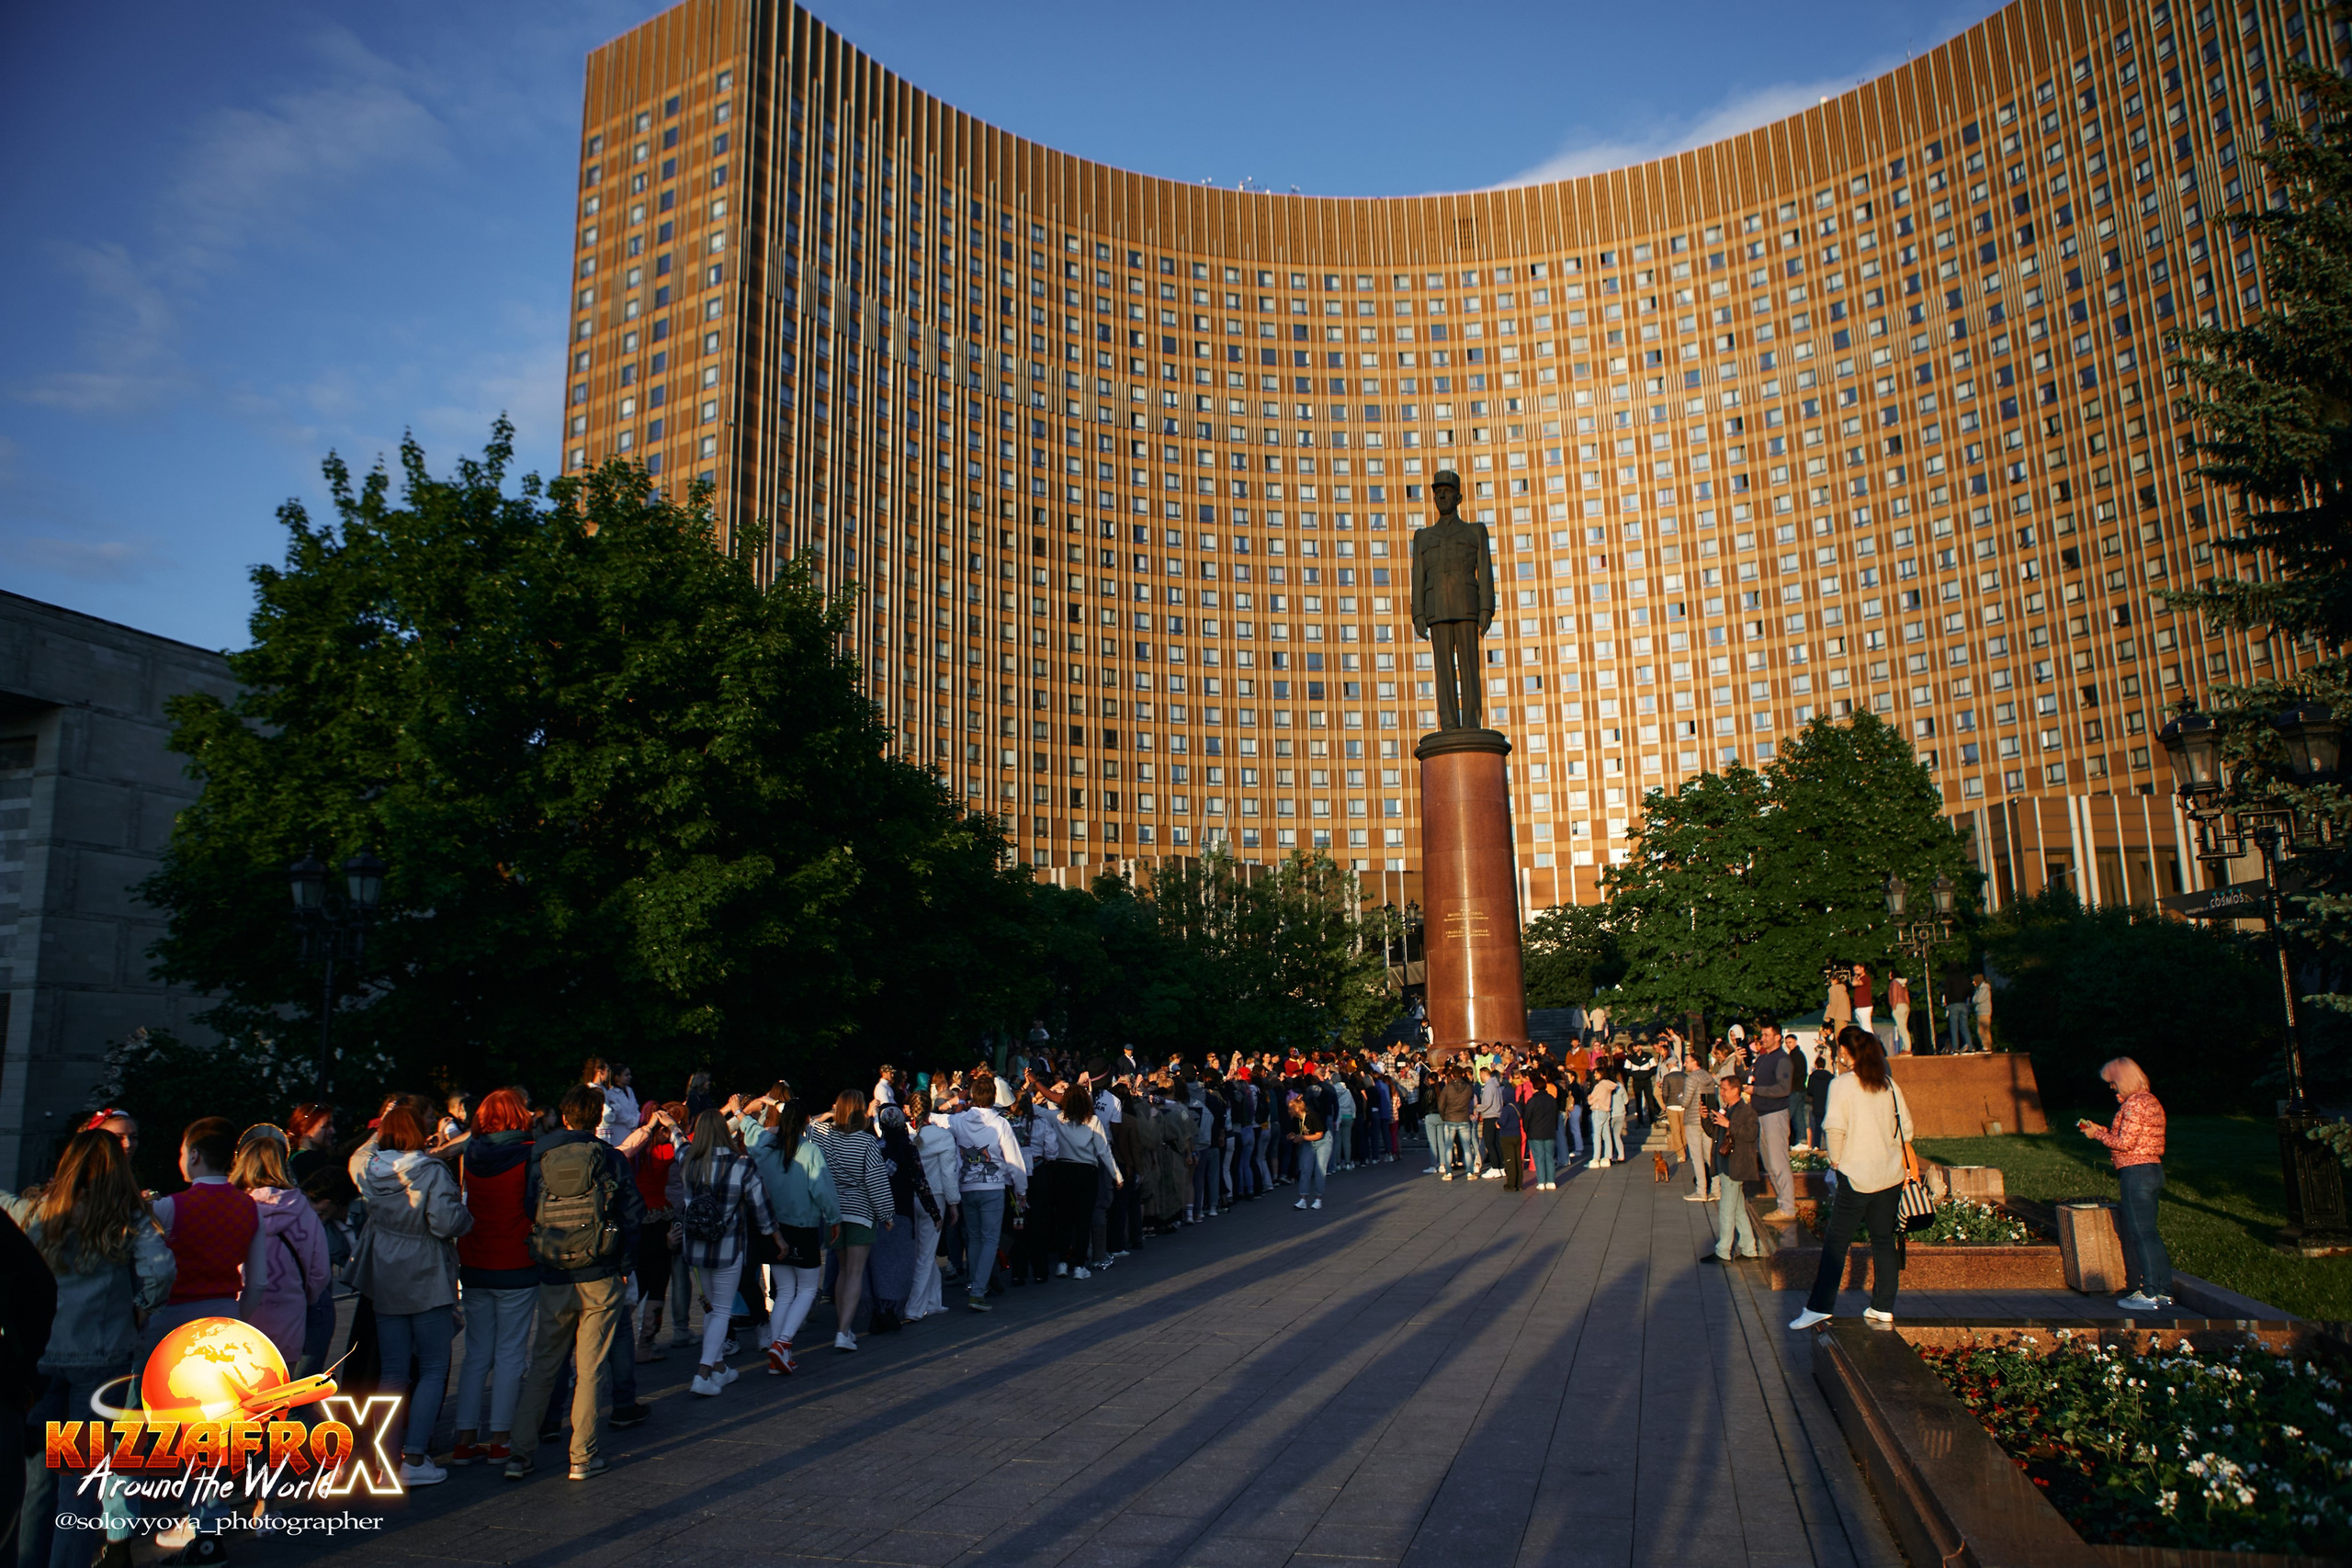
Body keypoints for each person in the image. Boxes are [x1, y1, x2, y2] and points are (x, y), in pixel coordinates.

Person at [7, 1129, 171, 1568]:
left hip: (43, 1358)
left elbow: (7, 1206)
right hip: (102, 1360)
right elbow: (160, 1270)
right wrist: (142, 1307)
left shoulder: (41, 1213)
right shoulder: (128, 1218)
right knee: (78, 1484)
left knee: (38, 1482)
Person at [505, 1084, 645, 1483]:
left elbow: (530, 1206)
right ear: (598, 1116)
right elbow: (632, 1212)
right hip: (600, 1272)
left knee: (545, 1366)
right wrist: (624, 1262)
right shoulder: (608, 1157)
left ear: (564, 1117)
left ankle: (520, 1453)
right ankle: (582, 1456)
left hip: (554, 1272)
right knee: (590, 1368)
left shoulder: (541, 1155)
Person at [354, 1102, 474, 1486]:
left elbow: (358, 1155)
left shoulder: (370, 1169)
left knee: (392, 1373)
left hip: (386, 1274)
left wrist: (381, 1127)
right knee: (433, 1369)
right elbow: (445, 1222)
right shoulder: (430, 1171)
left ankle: (383, 1458)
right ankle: (415, 1457)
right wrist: (466, 1218)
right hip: (426, 1271)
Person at [1791, 1027, 1915, 1330]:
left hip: (1856, 1175)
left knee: (1836, 1241)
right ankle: (1883, 1307)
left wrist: (1837, 1162)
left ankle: (1819, 1307)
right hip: (1890, 1176)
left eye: (1840, 1050)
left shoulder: (1843, 1084)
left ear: (1846, 1052)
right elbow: (1908, 1130)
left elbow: (1833, 1129)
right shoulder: (1888, 1084)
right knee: (1883, 1240)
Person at [450, 1088, 537, 1468]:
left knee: (475, 1355)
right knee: (510, 1353)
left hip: (475, 1259)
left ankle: (465, 1438)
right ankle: (500, 1438)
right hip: (516, 1260)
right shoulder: (529, 1154)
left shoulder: (470, 1154)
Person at [669, 1107, 777, 1395]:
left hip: (697, 1247)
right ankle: (704, 1373)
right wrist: (775, 1236)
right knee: (721, 1310)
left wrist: (670, 1124)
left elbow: (679, 1142)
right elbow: (761, 1207)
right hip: (729, 1246)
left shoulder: (688, 1161)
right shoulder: (742, 1163)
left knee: (711, 1307)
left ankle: (718, 1368)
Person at [741, 1099, 838, 1372]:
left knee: (783, 1292)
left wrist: (741, 1111)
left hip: (772, 1228)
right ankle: (782, 1343)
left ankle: (779, 1353)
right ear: (807, 1120)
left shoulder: (764, 1148)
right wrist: (834, 1218)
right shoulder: (809, 1151)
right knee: (807, 1288)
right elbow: (822, 1189)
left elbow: (748, 1128)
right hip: (802, 1225)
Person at [229, 1124, 332, 1368]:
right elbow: (320, 1272)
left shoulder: (232, 1209)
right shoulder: (302, 1208)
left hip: (239, 1310)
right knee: (278, 1392)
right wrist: (305, 1295)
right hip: (289, 1311)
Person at [2078, 1058, 2174, 1312]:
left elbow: (2125, 1143)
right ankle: (2164, 1291)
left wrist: (2095, 1134)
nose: (2111, 1088)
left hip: (2136, 1173)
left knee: (2140, 1234)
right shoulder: (2150, 1100)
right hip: (2153, 1169)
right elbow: (2133, 1136)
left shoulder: (2134, 1104)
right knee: (2151, 1233)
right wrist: (2104, 1130)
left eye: (2112, 1082)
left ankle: (2149, 1292)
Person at [806, 1090, 895, 1350]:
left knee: (843, 1270)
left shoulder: (823, 1137)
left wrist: (830, 1114)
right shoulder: (866, 1142)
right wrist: (886, 1214)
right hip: (860, 1211)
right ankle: (844, 1331)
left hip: (832, 1209)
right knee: (855, 1272)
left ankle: (841, 1327)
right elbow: (876, 1182)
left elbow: (809, 1124)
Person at [949, 1077, 1028, 1311]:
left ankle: (975, 1284)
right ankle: (978, 1292)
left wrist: (951, 1101)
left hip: (967, 1187)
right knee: (990, 1240)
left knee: (973, 1239)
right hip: (993, 1187)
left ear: (974, 1095)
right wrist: (1021, 1189)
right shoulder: (1000, 1123)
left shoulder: (959, 1120)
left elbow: (935, 1118)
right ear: (994, 1096)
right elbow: (1014, 1159)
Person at [1047, 1080, 1116, 1278]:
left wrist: (1035, 1086)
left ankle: (1062, 1262)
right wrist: (1116, 1176)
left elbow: (1035, 1108)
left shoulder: (1057, 1118)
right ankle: (1079, 1265)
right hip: (1086, 1171)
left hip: (1063, 1169)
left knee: (1064, 1219)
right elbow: (1104, 1151)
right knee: (1083, 1220)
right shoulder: (1093, 1121)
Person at [904, 1092, 958, 1316]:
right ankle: (914, 1308)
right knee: (926, 1254)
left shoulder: (903, 1133)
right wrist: (953, 1202)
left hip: (909, 1197)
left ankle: (934, 1301)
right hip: (934, 1198)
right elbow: (948, 1174)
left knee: (923, 1252)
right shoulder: (942, 1136)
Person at [1700, 1076, 1762, 1264]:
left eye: (1725, 1089)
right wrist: (1705, 1119)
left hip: (1737, 1165)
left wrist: (1729, 1125)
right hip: (1725, 1163)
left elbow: (1751, 1134)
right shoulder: (1726, 1108)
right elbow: (1714, 1132)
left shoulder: (1746, 1111)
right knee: (1738, 1208)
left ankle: (1723, 1250)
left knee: (1727, 1208)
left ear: (1736, 1090)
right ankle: (1750, 1248)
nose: (1722, 1092)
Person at [1748, 1024, 1796, 1219]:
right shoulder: (1762, 1058)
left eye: (1767, 1035)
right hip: (1761, 1113)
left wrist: (1756, 1091)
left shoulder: (1782, 1059)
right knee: (1769, 1163)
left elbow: (1783, 1089)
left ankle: (1788, 1207)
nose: (1763, 1038)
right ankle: (1782, 1203)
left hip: (1775, 1114)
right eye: (1762, 1035)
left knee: (1778, 1163)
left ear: (1778, 1037)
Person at [1286, 1089, 1329, 1211]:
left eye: (1291, 1109)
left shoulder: (1312, 1116)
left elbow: (1319, 1134)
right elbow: (1298, 1131)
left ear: (1298, 1109)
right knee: (1305, 1168)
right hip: (1307, 1140)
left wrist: (1303, 1137)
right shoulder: (1296, 1119)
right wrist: (1293, 1135)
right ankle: (1303, 1198)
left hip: (1322, 1141)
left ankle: (1318, 1198)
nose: (1289, 1111)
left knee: (1320, 1169)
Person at [1887, 973, 1911, 1055]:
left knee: (1902, 1029)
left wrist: (1893, 1007)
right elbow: (1906, 995)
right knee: (1904, 1027)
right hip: (1905, 1006)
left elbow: (1895, 994)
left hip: (1898, 1006)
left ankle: (1907, 1048)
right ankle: (1904, 1048)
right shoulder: (1903, 983)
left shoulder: (1894, 982)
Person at [1971, 971, 1995, 1052]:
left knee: (1984, 1030)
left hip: (1984, 1012)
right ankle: (1985, 1046)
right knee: (1980, 1030)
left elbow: (1978, 999)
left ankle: (1987, 1046)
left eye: (1974, 980)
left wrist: (1975, 1000)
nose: (1973, 982)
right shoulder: (1978, 989)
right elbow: (1974, 1000)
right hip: (1979, 1012)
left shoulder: (1985, 989)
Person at [1851, 962, 1874, 1033]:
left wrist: (1855, 976)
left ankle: (1872, 1042)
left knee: (1866, 1027)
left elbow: (1854, 983)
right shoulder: (1860, 979)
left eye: (1857, 970)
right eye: (1854, 970)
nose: (1855, 972)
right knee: (1862, 1027)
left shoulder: (1865, 978)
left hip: (1865, 1006)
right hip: (1859, 1007)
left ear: (1862, 968)